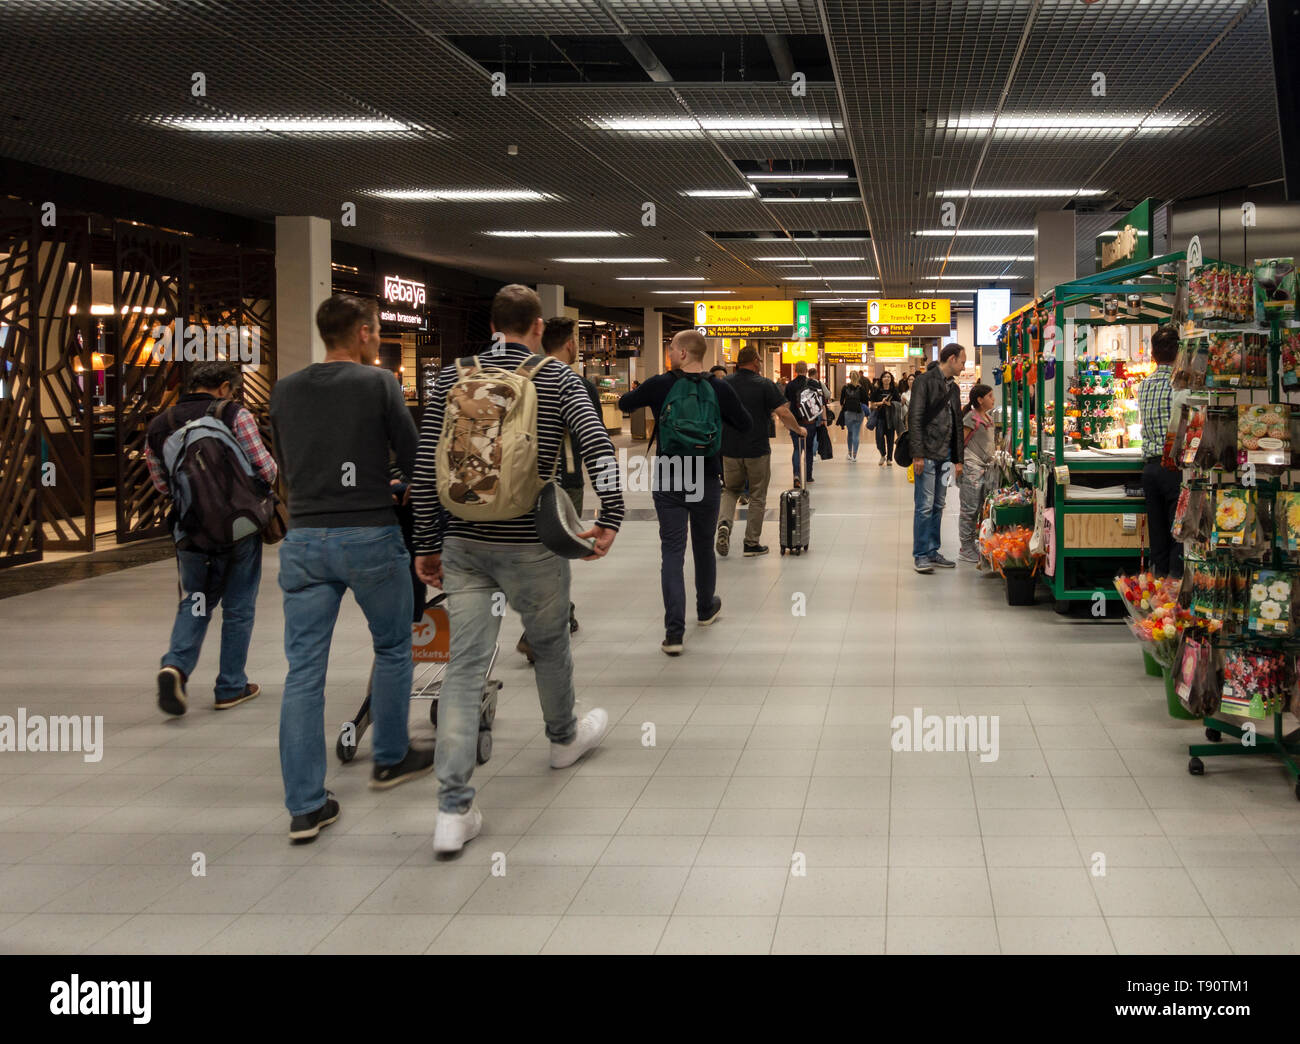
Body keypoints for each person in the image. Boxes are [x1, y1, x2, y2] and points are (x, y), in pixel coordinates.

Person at [411, 285, 623, 855]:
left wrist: (426, 541)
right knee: (550, 644)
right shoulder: (556, 378)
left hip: (463, 541)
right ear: (535, 325)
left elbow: (425, 459)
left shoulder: (450, 378)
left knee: (465, 668)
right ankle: (562, 739)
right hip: (533, 542)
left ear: (492, 324)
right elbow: (597, 446)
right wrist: (611, 515)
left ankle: (452, 812)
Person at [269, 295, 430, 843]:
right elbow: (414, 461)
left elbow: (288, 468)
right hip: (369, 535)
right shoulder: (378, 384)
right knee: (392, 645)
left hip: (306, 538)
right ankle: (389, 757)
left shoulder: (284, 389)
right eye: (377, 331)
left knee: (304, 671)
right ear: (362, 333)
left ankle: (306, 806)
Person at [146, 360, 276, 717]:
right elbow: (266, 468)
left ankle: (175, 666)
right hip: (239, 527)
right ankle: (231, 686)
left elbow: (161, 484)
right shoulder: (233, 414)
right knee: (238, 606)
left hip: (191, 529)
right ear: (223, 387)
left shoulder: (160, 424)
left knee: (196, 600)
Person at [618, 330, 750, 655]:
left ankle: (674, 633)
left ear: (681, 353)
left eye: (670, 349)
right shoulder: (719, 387)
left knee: (673, 552)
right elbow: (745, 423)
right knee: (704, 547)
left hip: (670, 476)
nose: (668, 354)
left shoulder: (660, 384)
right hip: (705, 475)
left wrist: (647, 396)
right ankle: (706, 609)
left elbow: (623, 403)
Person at [517, 316, 591, 663]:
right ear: (570, 344)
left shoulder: (522, 379)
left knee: (539, 551)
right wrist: (612, 506)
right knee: (557, 555)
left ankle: (563, 612)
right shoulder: (572, 383)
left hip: (525, 481)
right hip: (565, 478)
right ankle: (541, 628)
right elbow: (594, 441)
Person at [717, 346, 806, 558]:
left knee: (730, 490)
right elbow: (783, 412)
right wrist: (799, 429)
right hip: (756, 448)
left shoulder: (723, 384)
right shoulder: (764, 384)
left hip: (729, 448)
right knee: (757, 495)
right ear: (756, 361)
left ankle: (724, 524)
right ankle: (751, 543)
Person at [908, 343, 967, 573]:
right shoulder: (924, 382)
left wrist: (958, 459)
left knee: (938, 505)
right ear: (951, 359)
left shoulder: (953, 388)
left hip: (946, 457)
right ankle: (921, 554)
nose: (963, 366)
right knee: (924, 506)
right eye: (962, 361)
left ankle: (933, 550)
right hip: (928, 456)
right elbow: (915, 418)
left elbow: (958, 425)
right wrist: (918, 454)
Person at [1140, 325, 1182, 577]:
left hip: (1150, 470)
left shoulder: (1144, 385)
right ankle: (1174, 594)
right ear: (1179, 354)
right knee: (1177, 534)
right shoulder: (1180, 385)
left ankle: (1157, 593)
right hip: (1174, 468)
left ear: (1152, 354)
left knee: (1158, 538)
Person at [959, 384, 996, 564]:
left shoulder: (987, 417)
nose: (993, 399)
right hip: (971, 467)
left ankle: (974, 542)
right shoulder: (970, 418)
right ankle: (965, 547)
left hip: (984, 468)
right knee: (969, 507)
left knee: (980, 506)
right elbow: (960, 442)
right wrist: (959, 464)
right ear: (980, 400)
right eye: (989, 396)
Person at [784, 361, 828, 487]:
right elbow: (821, 404)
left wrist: (787, 423)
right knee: (809, 449)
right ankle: (808, 476)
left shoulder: (790, 385)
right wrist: (824, 420)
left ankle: (796, 475)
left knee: (797, 449)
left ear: (795, 370)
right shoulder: (813, 383)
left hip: (795, 422)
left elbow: (787, 405)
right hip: (810, 422)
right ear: (806, 370)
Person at [871, 371, 902, 466]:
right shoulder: (877, 391)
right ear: (881, 379)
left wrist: (890, 404)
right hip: (880, 418)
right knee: (879, 439)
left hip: (891, 419)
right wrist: (881, 403)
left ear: (891, 379)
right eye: (885, 377)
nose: (887, 378)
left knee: (890, 439)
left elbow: (899, 404)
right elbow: (872, 404)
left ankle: (889, 458)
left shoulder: (894, 391)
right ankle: (883, 455)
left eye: (888, 377)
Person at [837, 370, 866, 462]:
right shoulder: (861, 388)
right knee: (856, 434)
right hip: (859, 412)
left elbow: (841, 401)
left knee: (850, 433)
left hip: (848, 413)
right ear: (858, 377)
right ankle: (854, 456)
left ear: (849, 377)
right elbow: (865, 401)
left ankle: (849, 453)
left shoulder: (845, 387)